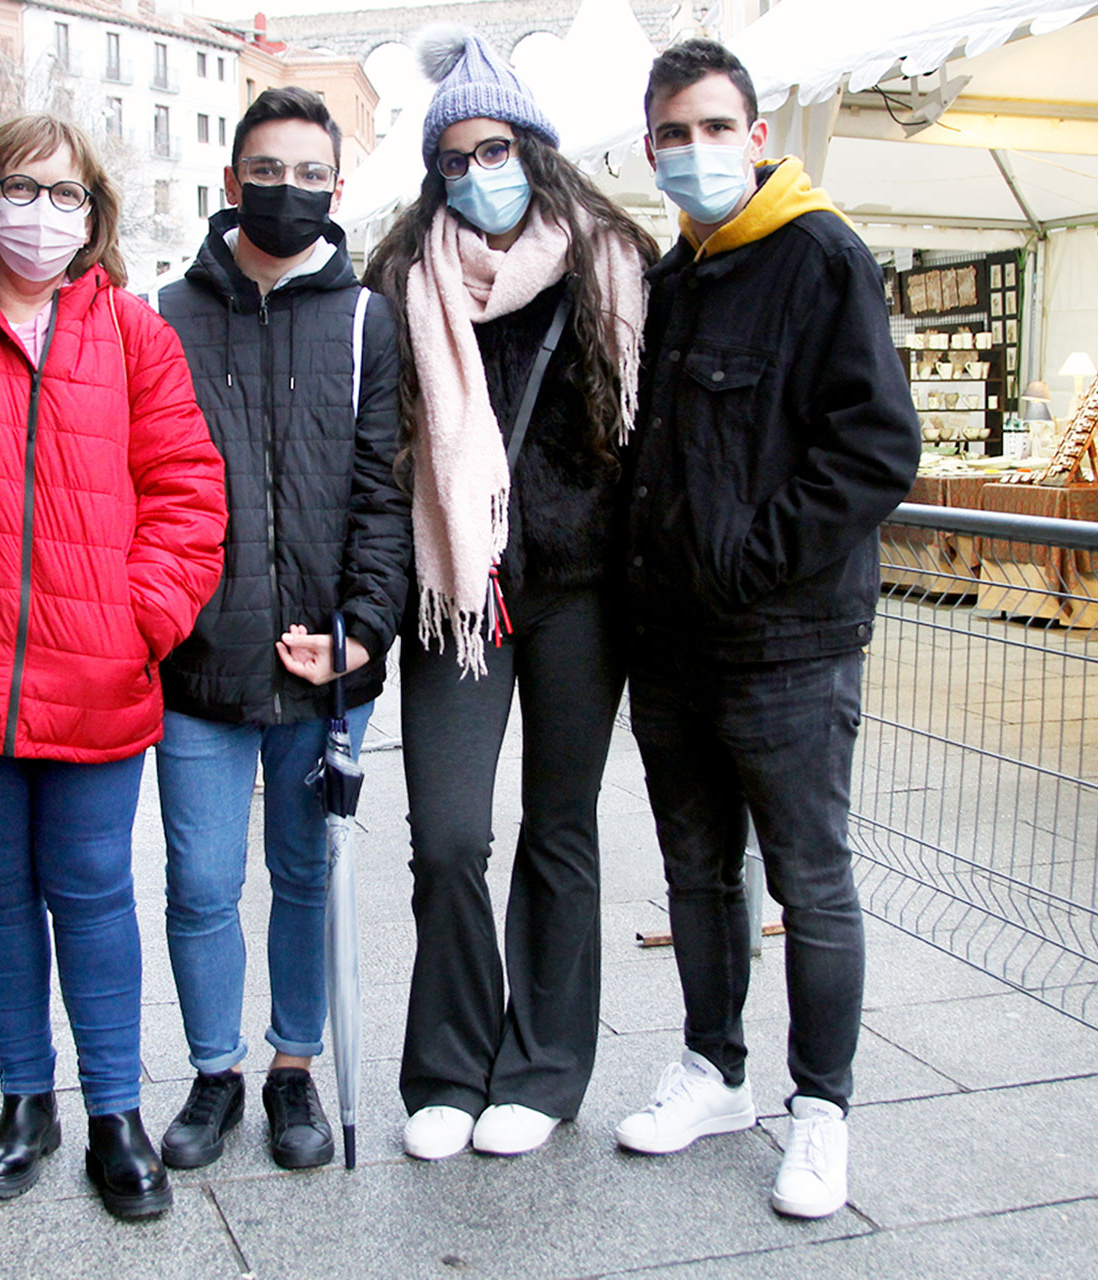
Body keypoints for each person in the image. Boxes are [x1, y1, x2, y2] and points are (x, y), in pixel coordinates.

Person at [613, 39, 920, 1219]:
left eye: (711, 128)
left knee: (809, 880)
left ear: (757, 137)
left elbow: (875, 446)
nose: (691, 151)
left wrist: (752, 559)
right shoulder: (675, 274)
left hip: (786, 642)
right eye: (671, 134)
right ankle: (712, 1068)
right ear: (652, 148)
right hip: (675, 644)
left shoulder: (821, 255)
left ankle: (822, 1110)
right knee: (697, 870)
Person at [0, 114, 228, 1221]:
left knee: (95, 896)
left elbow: (190, 493)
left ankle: (111, 1108)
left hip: (99, 680)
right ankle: (22, 1098)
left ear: (94, 213)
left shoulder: (133, 334)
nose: (40, 214)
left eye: (65, 195)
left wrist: (132, 622)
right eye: (19, 188)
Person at [365, 26, 657, 1161]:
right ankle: (446, 1065)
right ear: (435, 167)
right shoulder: (402, 280)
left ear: (535, 147)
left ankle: (539, 1070)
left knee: (561, 828)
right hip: (457, 595)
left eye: (497, 149)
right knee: (445, 834)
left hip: (581, 592)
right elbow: (381, 448)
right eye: (455, 158)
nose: (478, 174)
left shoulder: (611, 262)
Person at [151, 87, 410, 1174]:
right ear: (229, 182)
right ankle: (215, 1069)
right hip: (198, 666)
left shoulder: (363, 318)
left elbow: (379, 494)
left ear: (337, 190)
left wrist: (362, 630)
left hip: (320, 667)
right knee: (203, 882)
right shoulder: (165, 312)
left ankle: (293, 1067)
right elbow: (145, 483)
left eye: (310, 175)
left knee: (307, 876)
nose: (288, 191)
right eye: (267, 170)